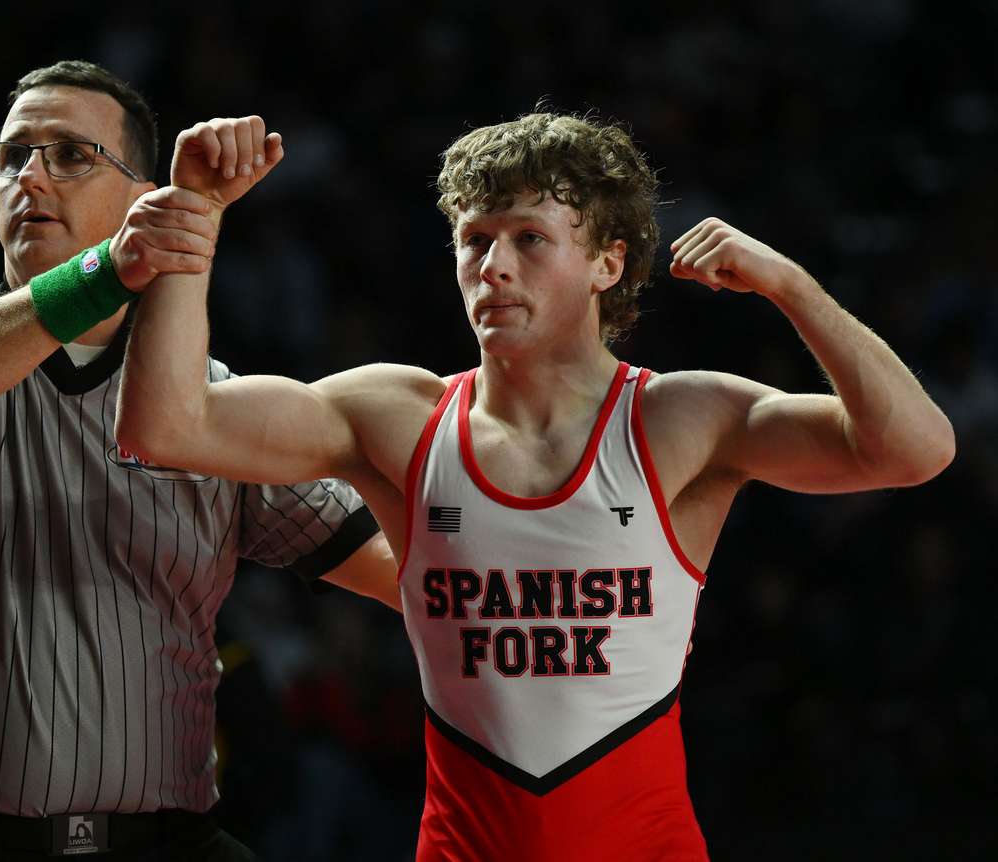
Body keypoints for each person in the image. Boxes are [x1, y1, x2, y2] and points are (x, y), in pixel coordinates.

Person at [115, 111, 956, 860]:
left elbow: (913, 451)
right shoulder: (397, 415)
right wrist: (195, 220)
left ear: (607, 263)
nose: (494, 267)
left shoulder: (680, 419)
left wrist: (791, 287)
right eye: (475, 240)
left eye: (528, 238)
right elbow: (165, 427)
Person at [0, 61, 397, 862]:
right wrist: (113, 268)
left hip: (168, 843)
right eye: (11, 156)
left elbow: (398, 569)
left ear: (144, 195)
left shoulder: (203, 400)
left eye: (69, 156)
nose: (29, 177)